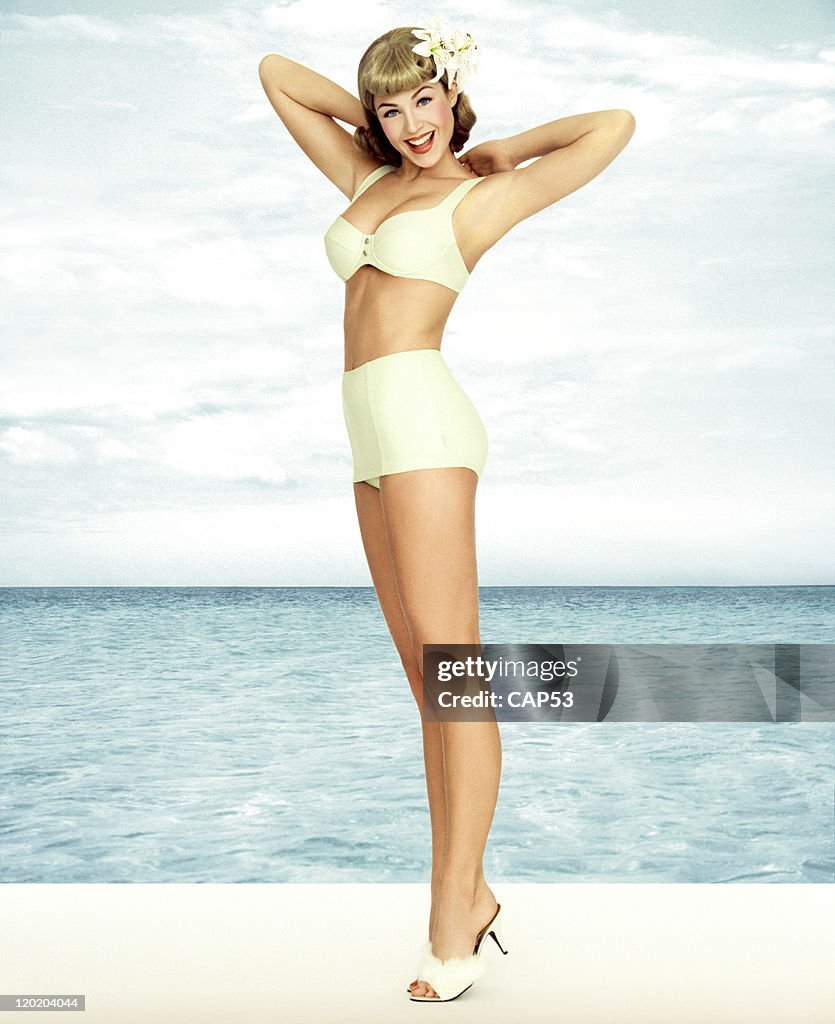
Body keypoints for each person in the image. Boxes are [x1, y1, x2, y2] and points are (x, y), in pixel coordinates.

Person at [259, 19, 635, 1002]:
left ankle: (450, 914)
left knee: (454, 674)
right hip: (369, 441)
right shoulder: (367, 179)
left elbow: (612, 126)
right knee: (427, 687)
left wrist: (503, 144)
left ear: (452, 94)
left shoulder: (481, 192)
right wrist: (376, 127)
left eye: (423, 98)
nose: (409, 122)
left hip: (424, 425)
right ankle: (464, 893)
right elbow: (278, 75)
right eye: (390, 107)